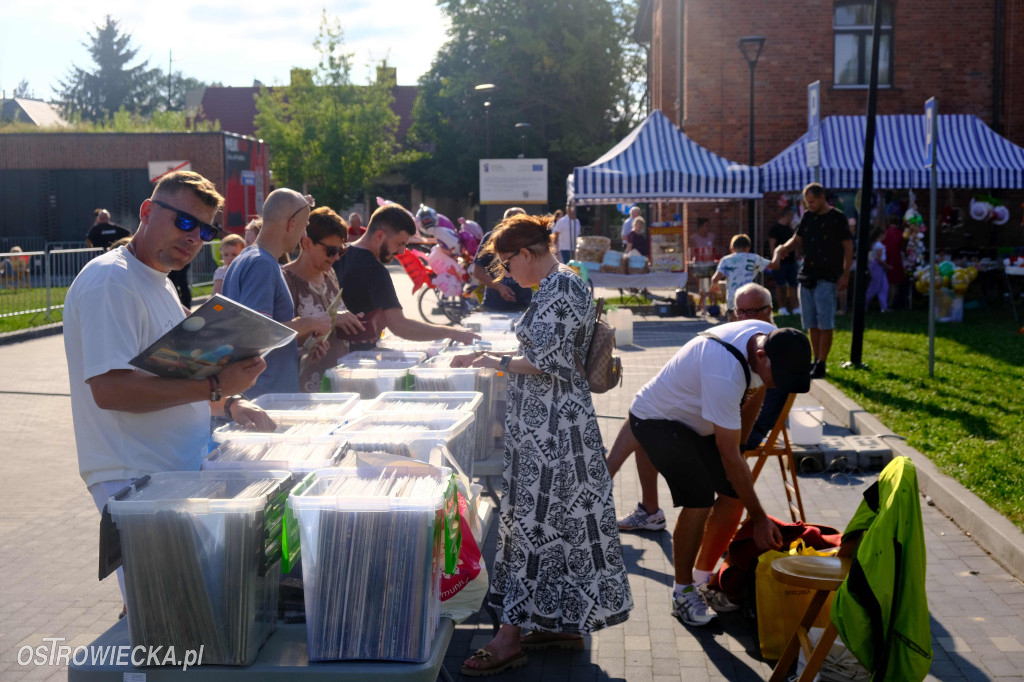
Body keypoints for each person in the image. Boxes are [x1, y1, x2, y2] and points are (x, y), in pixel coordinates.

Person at [63, 170, 274, 604]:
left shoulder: (158, 283)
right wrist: (216, 384)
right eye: (184, 222)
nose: (194, 236)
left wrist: (230, 402)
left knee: (189, 619)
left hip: (170, 474)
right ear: (146, 211)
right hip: (135, 479)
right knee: (172, 624)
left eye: (205, 229)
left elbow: (177, 380)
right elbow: (111, 391)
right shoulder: (111, 281)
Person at [452, 213, 632, 676]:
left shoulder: (563, 286)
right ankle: (560, 620)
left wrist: (491, 359)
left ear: (528, 254)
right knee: (556, 525)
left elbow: (548, 361)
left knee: (533, 527)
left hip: (555, 431)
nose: (506, 274)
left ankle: (509, 638)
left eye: (508, 264)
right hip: (547, 425)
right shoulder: (558, 284)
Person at [626, 318, 811, 627]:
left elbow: (758, 390)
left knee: (736, 491)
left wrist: (740, 449)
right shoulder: (724, 370)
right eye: (778, 376)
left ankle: (701, 579)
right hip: (657, 419)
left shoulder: (768, 337)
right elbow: (727, 452)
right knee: (699, 498)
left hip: (698, 419)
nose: (778, 384)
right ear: (763, 356)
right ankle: (682, 593)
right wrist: (760, 518)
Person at [611, 282, 777, 536]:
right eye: (739, 312)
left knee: (708, 494)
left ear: (768, 310)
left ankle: (698, 547)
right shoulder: (739, 341)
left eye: (751, 311)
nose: (743, 318)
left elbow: (756, 395)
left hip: (711, 425)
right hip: (680, 414)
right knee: (633, 437)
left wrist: (740, 445)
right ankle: (647, 510)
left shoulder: (772, 344)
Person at [223, 189, 333, 397]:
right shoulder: (261, 264)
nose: (304, 235)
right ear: (291, 224)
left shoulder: (247, 259)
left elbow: (256, 343)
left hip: (262, 393)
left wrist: (302, 353)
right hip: (264, 398)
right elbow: (256, 336)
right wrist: (311, 323)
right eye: (303, 227)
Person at [333, 203, 479, 349]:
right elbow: (400, 326)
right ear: (379, 235)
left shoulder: (337, 255)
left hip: (333, 355)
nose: (402, 251)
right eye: (399, 243)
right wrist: (452, 332)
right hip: (354, 360)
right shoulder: (375, 270)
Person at [771, 183, 853, 379]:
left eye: (812, 201)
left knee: (825, 322)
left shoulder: (837, 218)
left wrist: (845, 274)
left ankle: (822, 363)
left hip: (827, 276)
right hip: (807, 275)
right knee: (811, 323)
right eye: (807, 202)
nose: (809, 205)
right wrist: (783, 248)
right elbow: (797, 240)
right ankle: (815, 360)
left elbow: (848, 247)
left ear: (822, 197)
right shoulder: (808, 217)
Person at [282, 206, 366, 392]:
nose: (336, 257)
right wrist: (333, 319)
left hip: (337, 383)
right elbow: (277, 336)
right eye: (331, 251)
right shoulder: (285, 280)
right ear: (307, 243)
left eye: (341, 251)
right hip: (303, 390)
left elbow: (334, 318)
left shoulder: (329, 274)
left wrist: (354, 324)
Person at [472, 207, 533, 314]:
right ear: (504, 222)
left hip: (524, 306)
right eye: (511, 220)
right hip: (494, 306)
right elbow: (477, 271)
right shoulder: (491, 238)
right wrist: (499, 287)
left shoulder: (531, 240)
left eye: (518, 221)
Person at [712, 234, 771, 319]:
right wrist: (778, 252)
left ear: (732, 249)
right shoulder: (754, 257)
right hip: (748, 299)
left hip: (732, 300)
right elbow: (774, 265)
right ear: (748, 248)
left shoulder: (726, 260)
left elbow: (715, 278)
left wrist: (715, 286)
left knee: (734, 326)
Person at [768, 207, 799, 315]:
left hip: (791, 262)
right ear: (787, 215)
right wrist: (774, 260)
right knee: (780, 285)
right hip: (780, 263)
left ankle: (795, 307)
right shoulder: (775, 229)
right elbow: (772, 245)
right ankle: (782, 308)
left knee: (793, 285)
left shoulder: (790, 229)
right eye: (791, 216)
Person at [883, 220, 907, 310]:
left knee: (887, 283)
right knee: (895, 284)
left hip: (887, 260)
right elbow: (903, 245)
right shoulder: (900, 233)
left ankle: (886, 303)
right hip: (896, 260)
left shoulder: (886, 233)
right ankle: (891, 303)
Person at [865, 227, 890, 312]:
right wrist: (887, 266)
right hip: (877, 267)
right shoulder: (878, 245)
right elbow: (879, 259)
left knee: (884, 286)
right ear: (881, 235)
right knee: (875, 287)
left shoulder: (877, 244)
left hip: (880, 267)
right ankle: (864, 303)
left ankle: (884, 306)